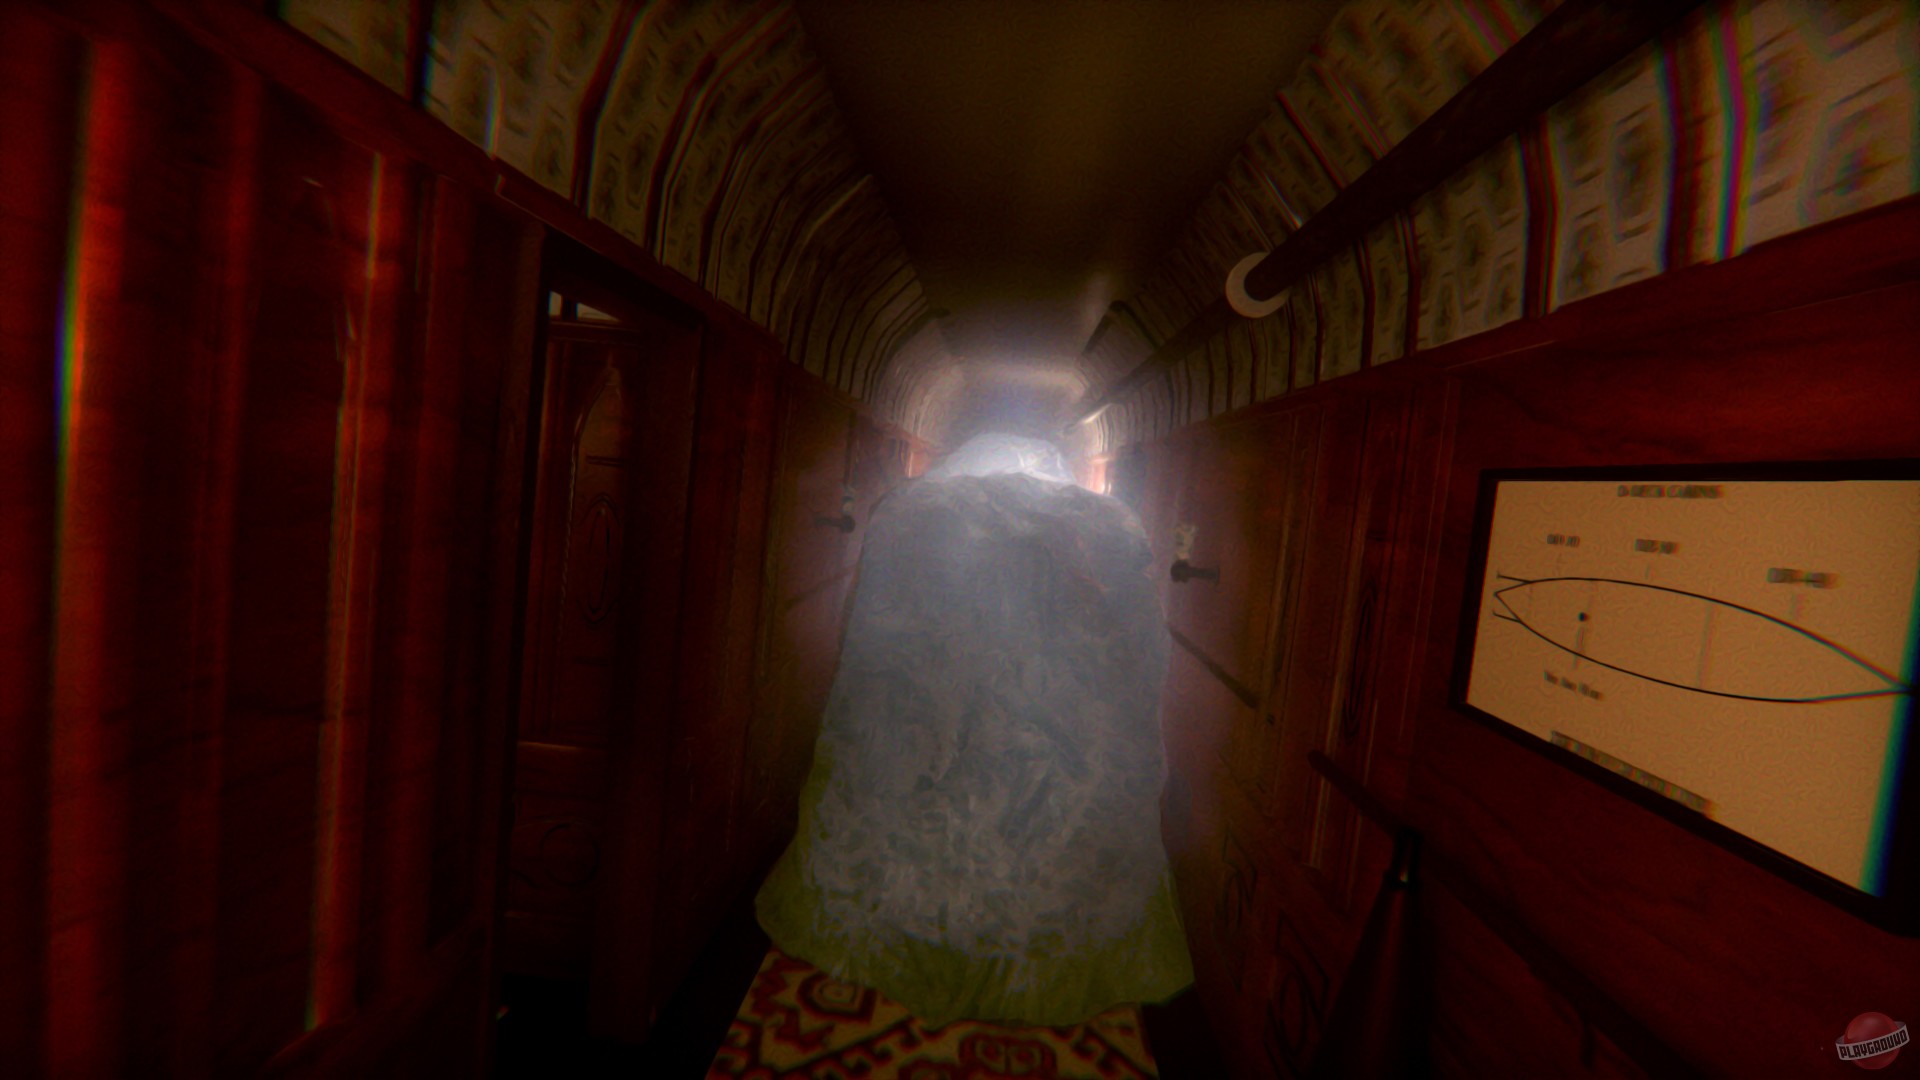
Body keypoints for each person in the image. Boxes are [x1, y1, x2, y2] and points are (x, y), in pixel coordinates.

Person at [755, 433, 1193, 1025]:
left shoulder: (923, 516)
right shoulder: (1070, 528)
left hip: (967, 690)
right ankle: (1010, 929)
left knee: (947, 790)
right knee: (1011, 800)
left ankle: (922, 922)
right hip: (1021, 695)